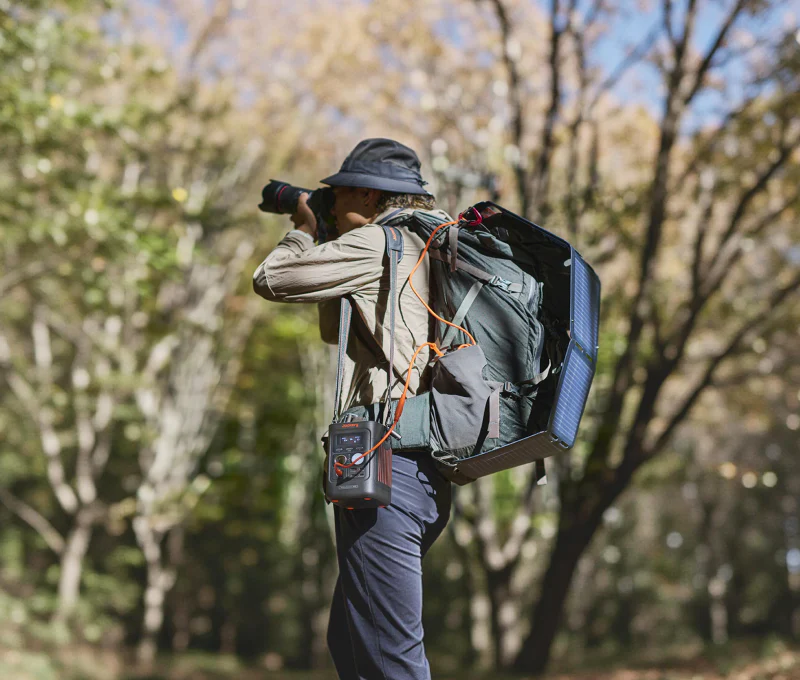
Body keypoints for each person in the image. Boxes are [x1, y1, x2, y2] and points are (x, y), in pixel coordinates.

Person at [252, 138, 453, 680]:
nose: (331, 205)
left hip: (386, 464)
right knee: (351, 640)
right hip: (426, 473)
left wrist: (301, 228)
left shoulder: (375, 242)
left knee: (391, 663)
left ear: (367, 191)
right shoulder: (432, 244)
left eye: (336, 195)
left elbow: (271, 279)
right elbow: (334, 334)